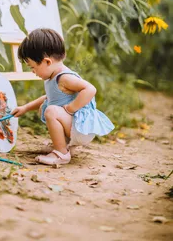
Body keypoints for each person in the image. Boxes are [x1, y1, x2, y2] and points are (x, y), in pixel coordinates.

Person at [12, 28, 115, 165]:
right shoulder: (52, 77)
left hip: (80, 127)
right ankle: (65, 146)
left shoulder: (64, 78)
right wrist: (25, 108)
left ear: (47, 62)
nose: (33, 72)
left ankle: (61, 154)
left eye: (32, 67)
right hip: (74, 126)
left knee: (52, 111)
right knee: (50, 106)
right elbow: (47, 98)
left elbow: (90, 89)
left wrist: (70, 108)